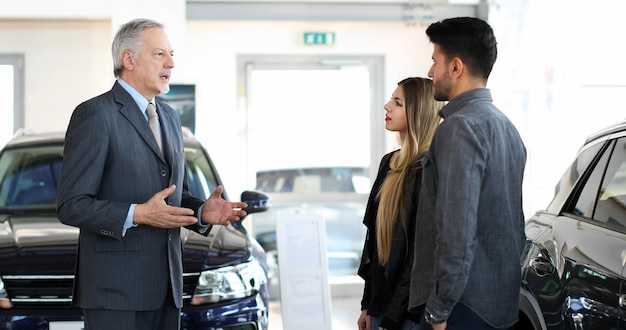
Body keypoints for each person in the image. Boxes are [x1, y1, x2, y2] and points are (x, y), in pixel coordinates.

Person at [56, 18, 247, 330]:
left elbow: (172, 194)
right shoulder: (95, 114)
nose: (171, 62)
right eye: (160, 54)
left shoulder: (170, 117)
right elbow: (71, 205)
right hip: (115, 294)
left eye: (171, 54)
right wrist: (139, 214)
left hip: (168, 290)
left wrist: (201, 211)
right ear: (128, 59)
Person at [408, 17, 527, 330]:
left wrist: (438, 311)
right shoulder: (506, 127)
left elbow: (456, 231)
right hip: (499, 307)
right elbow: (516, 226)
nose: (431, 73)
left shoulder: (459, 129)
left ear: (456, 67)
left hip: (461, 308)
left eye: (435, 62)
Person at [357, 77, 444, 330]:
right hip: (381, 305)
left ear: (417, 111)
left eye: (397, 102)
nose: (386, 106)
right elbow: (374, 243)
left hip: (408, 311)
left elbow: (419, 254)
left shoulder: (427, 167)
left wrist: (393, 317)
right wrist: (368, 304)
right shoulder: (389, 161)